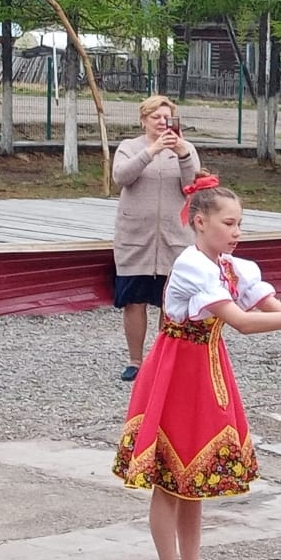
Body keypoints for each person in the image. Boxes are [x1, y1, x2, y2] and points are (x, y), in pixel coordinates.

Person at [112, 178, 281, 560]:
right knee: (168, 478)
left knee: (193, 480)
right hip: (175, 372)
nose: (236, 232)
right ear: (199, 222)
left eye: (240, 224)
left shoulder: (235, 267)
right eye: (228, 223)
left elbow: (270, 308)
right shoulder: (193, 265)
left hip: (206, 370)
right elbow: (244, 323)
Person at [112, 95, 202, 382]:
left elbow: (192, 186)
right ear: (143, 120)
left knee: (170, 302)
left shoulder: (186, 149)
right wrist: (151, 151)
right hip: (136, 238)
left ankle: (165, 360)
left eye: (167, 118)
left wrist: (183, 153)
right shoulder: (129, 147)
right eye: (156, 118)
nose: (162, 123)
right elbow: (122, 177)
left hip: (174, 239)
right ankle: (135, 361)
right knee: (134, 301)